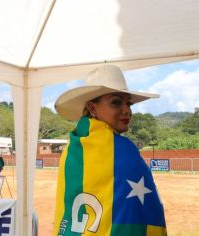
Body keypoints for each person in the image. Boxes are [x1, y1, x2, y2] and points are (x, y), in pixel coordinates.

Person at [53, 65, 167, 235]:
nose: (126, 110)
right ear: (92, 108)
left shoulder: (71, 149)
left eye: (128, 103)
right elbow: (142, 214)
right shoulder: (124, 150)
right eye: (116, 102)